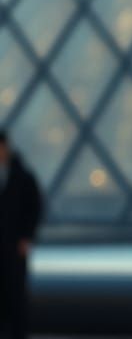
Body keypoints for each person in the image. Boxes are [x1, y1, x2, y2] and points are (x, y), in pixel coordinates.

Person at [0, 130, 43, 339]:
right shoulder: (22, 175)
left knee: (15, 295)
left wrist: (26, 237)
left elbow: (35, 208)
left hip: (14, 247)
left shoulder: (23, 177)